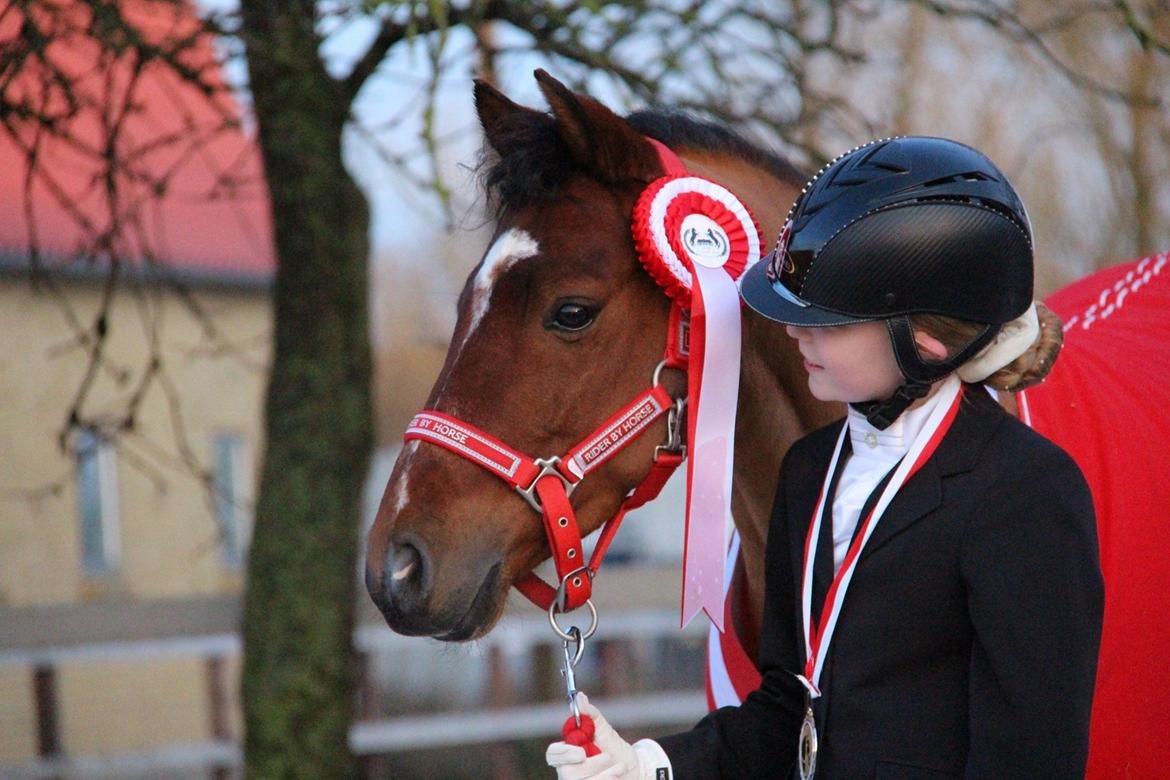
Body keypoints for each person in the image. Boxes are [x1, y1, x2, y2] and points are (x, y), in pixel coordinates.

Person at [545, 136, 1104, 779]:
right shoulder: (808, 469)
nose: (794, 331)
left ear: (924, 338)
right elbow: (788, 710)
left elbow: (1031, 758)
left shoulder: (1025, 492)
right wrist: (649, 763)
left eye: (830, 321)